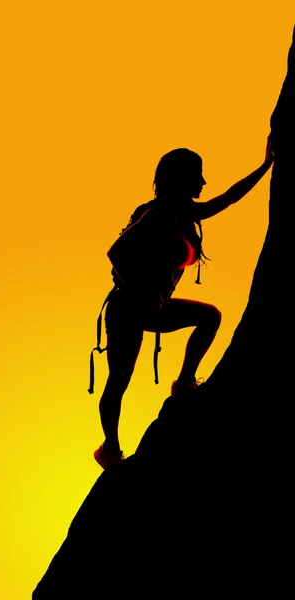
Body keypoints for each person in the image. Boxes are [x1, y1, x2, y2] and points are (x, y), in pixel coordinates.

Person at [93, 134, 275, 470]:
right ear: (181, 178)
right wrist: (139, 291)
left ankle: (184, 382)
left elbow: (229, 199)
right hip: (127, 309)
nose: (204, 181)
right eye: (198, 175)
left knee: (209, 317)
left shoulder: (184, 213)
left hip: (152, 308)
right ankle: (110, 450)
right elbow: (115, 252)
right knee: (119, 380)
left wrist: (265, 166)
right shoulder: (158, 214)